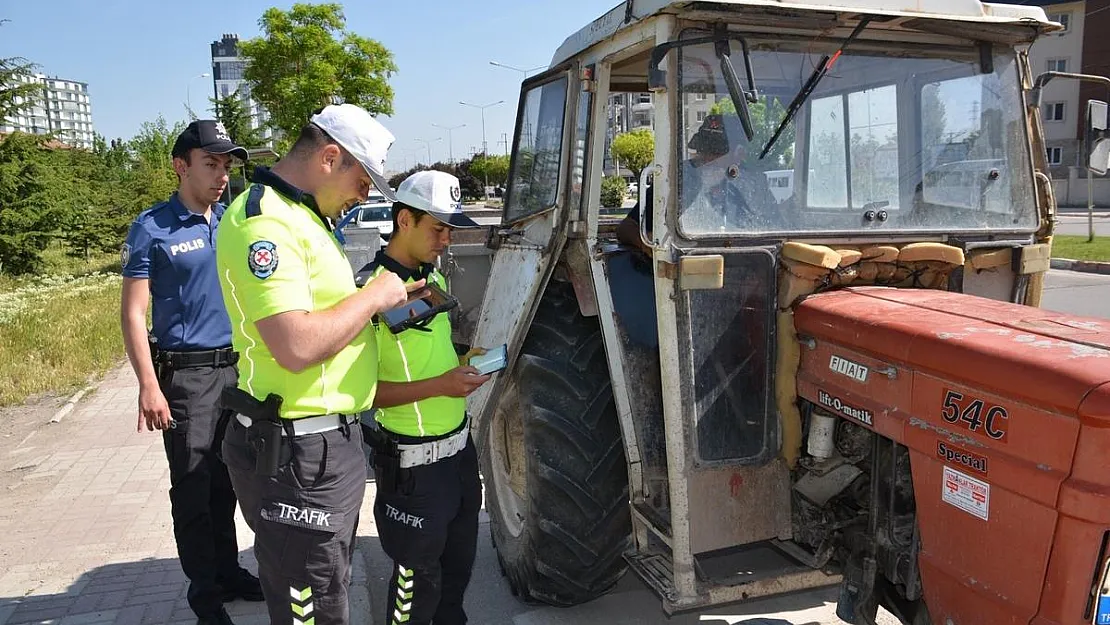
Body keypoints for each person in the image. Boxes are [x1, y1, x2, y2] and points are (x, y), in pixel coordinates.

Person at [214, 103, 418, 625]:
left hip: (325, 446)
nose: (365, 195)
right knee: (312, 604)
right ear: (330, 158)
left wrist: (379, 305)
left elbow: (323, 318)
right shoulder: (264, 223)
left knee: (328, 587)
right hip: (298, 453)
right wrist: (372, 297)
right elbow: (297, 345)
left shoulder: (304, 217)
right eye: (363, 180)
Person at [120, 120, 262, 625]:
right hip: (186, 379)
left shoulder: (230, 222)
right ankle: (205, 596)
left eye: (226, 165)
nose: (221, 174)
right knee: (194, 489)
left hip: (235, 373)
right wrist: (148, 386)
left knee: (228, 482)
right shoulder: (152, 227)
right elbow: (134, 313)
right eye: (210, 163)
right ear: (181, 166)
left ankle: (228, 572)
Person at [360, 170, 490, 625]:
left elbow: (426, 354)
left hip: (458, 457)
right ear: (403, 220)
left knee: (455, 583)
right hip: (412, 472)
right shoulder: (367, 294)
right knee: (416, 594)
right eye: (437, 228)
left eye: (450, 229)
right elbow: (364, 393)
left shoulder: (432, 279)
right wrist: (442, 386)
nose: (447, 239)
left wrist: (464, 359)